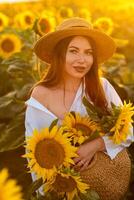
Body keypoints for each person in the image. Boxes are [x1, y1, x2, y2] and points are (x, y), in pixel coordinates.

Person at [25, 17, 133, 198]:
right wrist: (48, 194)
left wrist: (96, 145)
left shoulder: (101, 86)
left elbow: (128, 130)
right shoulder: (41, 94)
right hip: (63, 188)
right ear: (60, 54)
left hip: (105, 184)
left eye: (88, 52)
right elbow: (35, 155)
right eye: (73, 51)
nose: (82, 60)